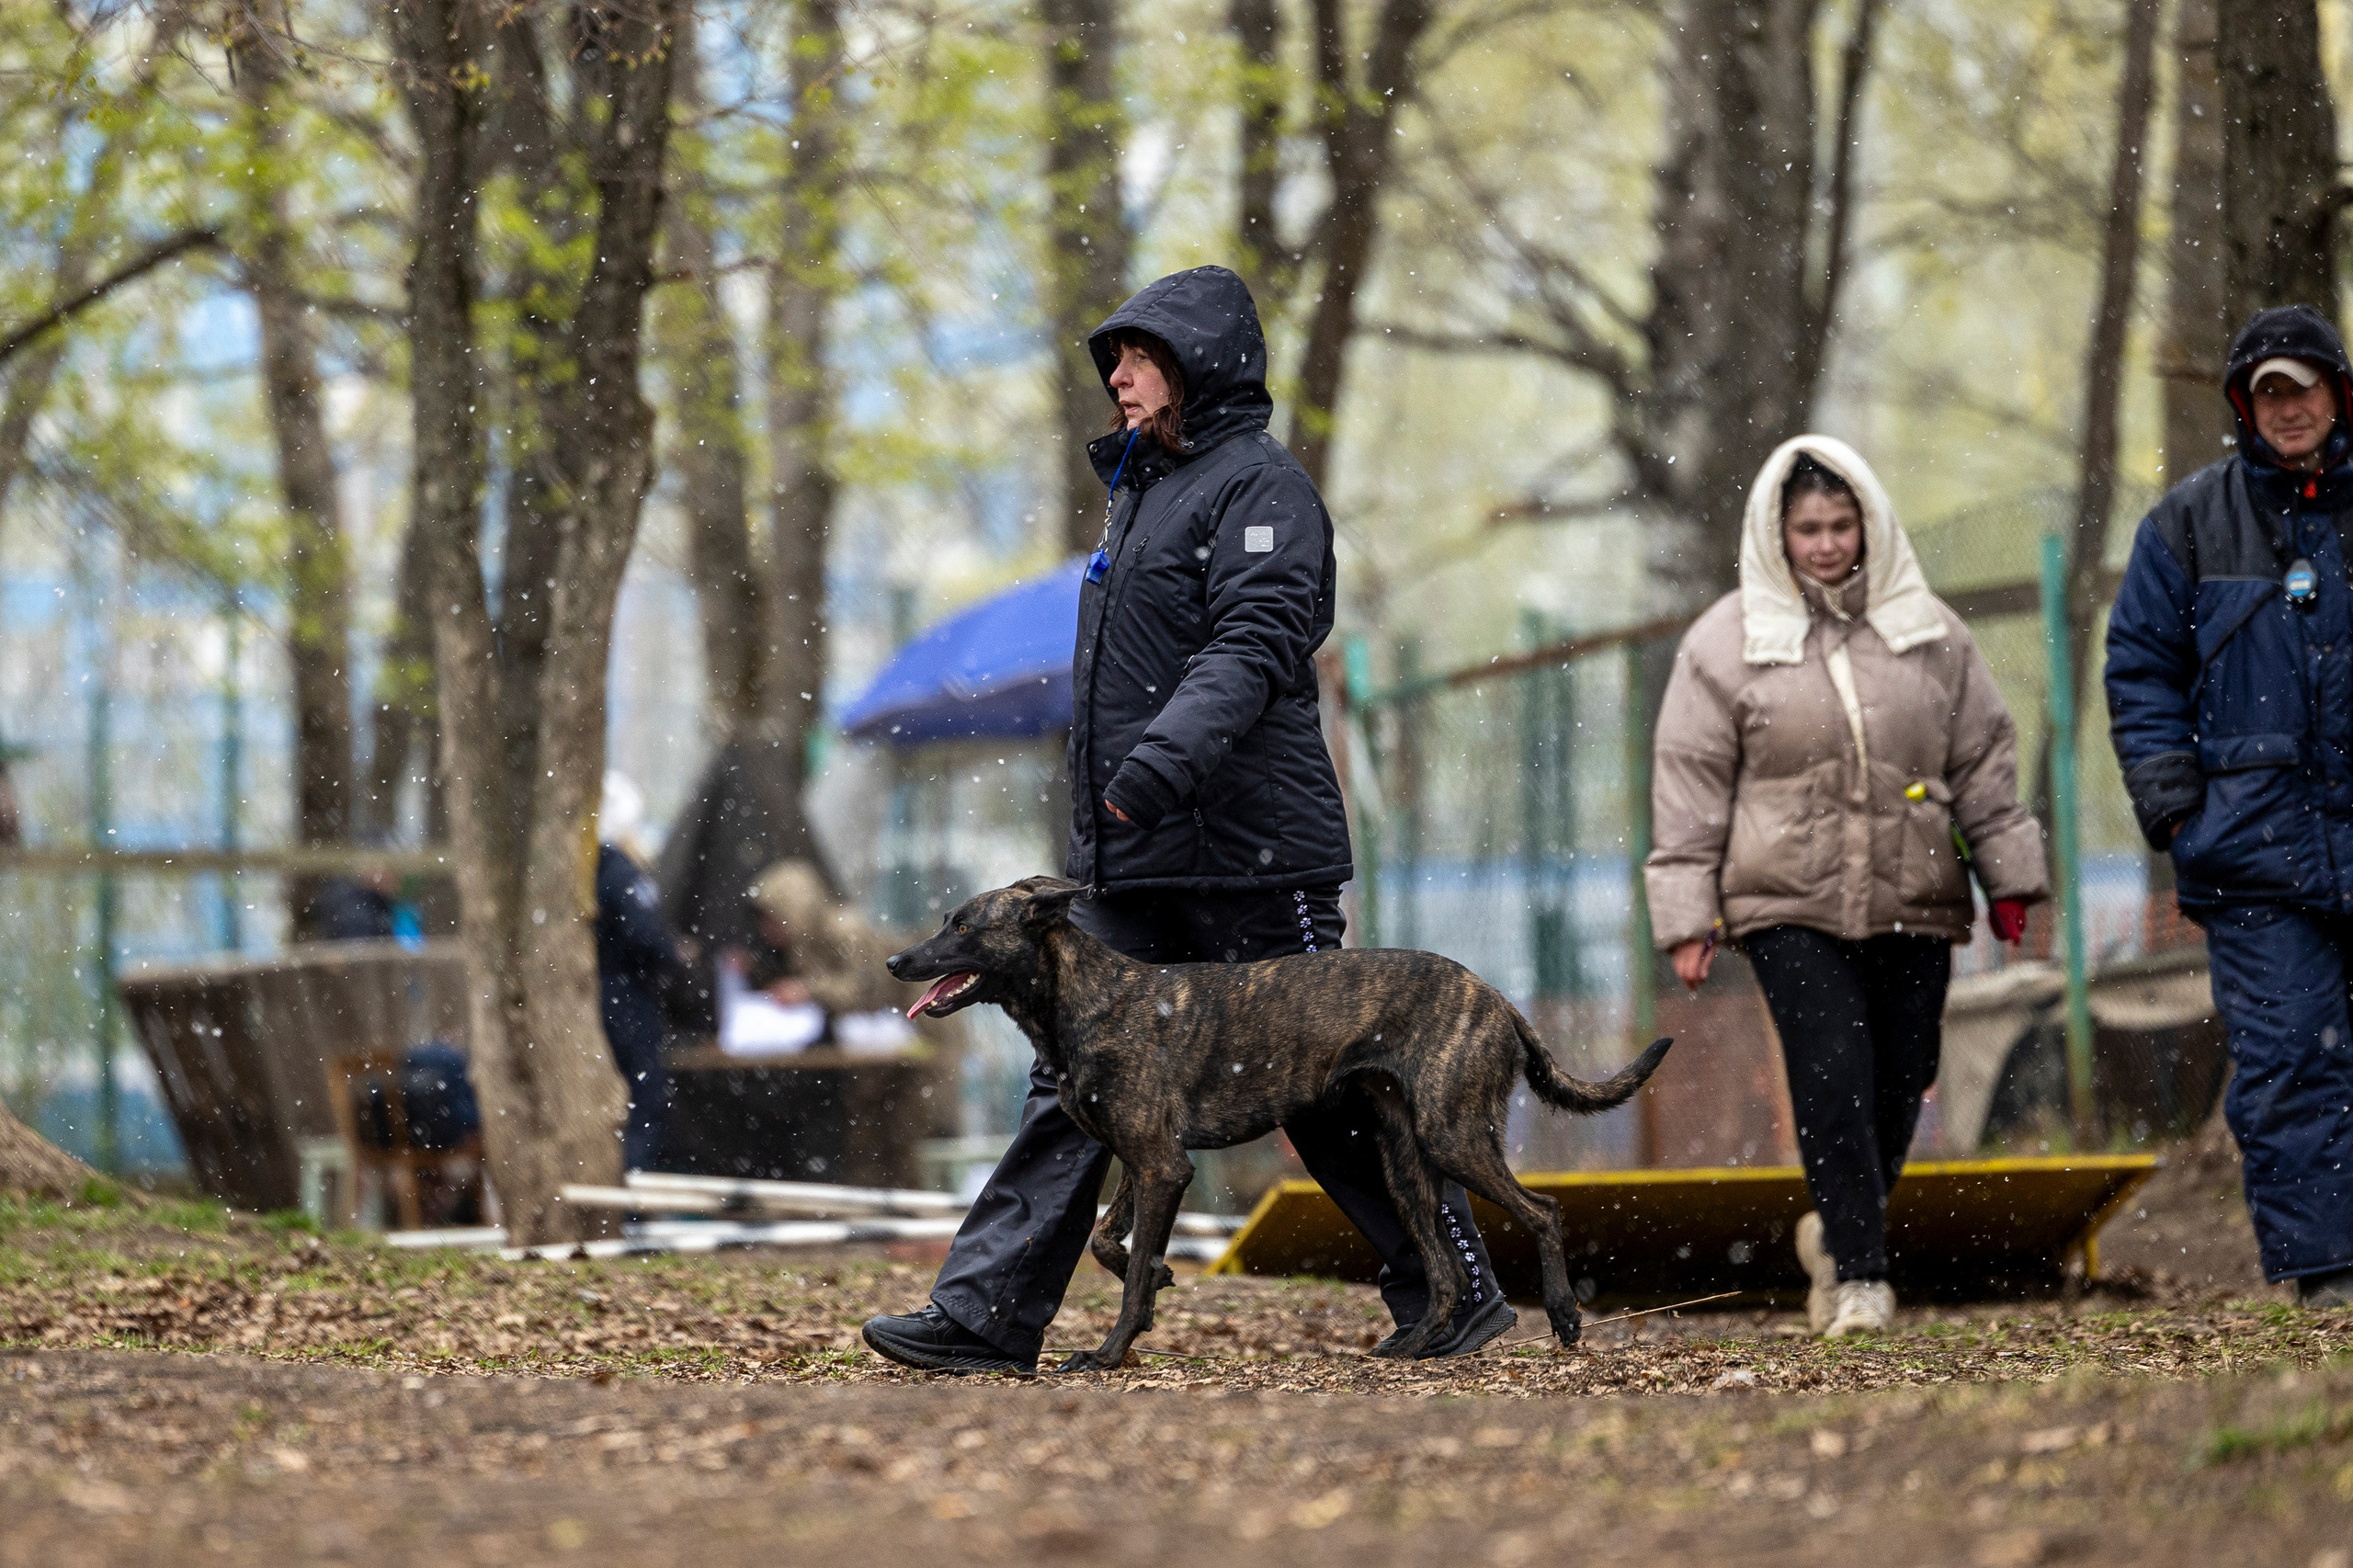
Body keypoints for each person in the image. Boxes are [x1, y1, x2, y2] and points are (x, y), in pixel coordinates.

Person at [860, 265, 1509, 1374]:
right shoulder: (1141, 491)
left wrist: (1158, 763)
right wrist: (1113, 815)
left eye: (1140, 357)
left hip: (1254, 856)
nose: (1118, 377)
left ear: (1201, 365)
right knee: (1072, 1079)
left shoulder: (1263, 489)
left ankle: (1455, 1287)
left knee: (1337, 1082)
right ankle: (983, 1316)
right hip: (1139, 852)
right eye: (1113, 359)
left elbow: (1253, 645)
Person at [1645, 434, 2048, 1336]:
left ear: (1869, 525)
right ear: (1776, 534)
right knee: (1832, 1072)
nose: (1825, 545)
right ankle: (1862, 1276)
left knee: (1903, 1071)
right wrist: (1686, 914)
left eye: (1840, 525)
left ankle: (1836, 1229)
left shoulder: (1930, 632)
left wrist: (2010, 875)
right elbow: (1690, 783)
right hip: (1783, 899)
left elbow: (1981, 758)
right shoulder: (1724, 643)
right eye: (1807, 529)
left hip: (1914, 889)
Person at [2105, 303, 2353, 1312]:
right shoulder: (2185, 525)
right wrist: (2178, 814)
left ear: (2338, 394)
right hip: (2252, 854)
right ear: (2245, 408)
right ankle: (2329, 1275)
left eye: (2303, 388)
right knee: (2289, 1059)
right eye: (2268, 393)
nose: (2288, 409)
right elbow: (2140, 671)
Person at [595, 773, 688, 1171]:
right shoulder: (619, 870)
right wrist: (674, 955)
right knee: (643, 1100)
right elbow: (645, 933)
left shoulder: (592, 870)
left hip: (603, 995)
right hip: (627, 1000)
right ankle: (635, 1188)